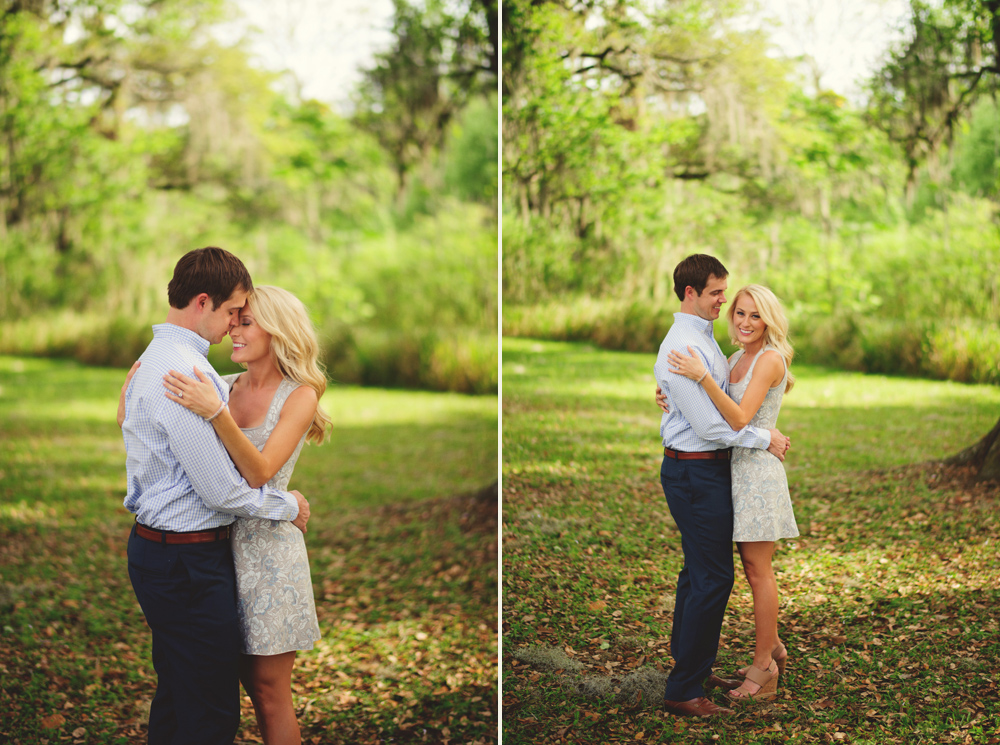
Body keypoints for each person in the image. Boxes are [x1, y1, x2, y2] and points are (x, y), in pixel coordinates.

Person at [120, 285, 329, 745]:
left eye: (245, 321)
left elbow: (258, 472)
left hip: (269, 555)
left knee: (267, 692)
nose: (232, 328)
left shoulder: (300, 396)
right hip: (214, 551)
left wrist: (217, 414)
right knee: (201, 680)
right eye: (234, 319)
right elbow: (159, 431)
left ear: (277, 331)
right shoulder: (222, 386)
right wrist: (135, 396)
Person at [652, 254, 790, 719]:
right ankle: (687, 685)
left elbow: (733, 402)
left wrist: (678, 392)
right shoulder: (690, 348)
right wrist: (763, 436)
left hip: (727, 471)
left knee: (708, 574)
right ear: (691, 293)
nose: (726, 303)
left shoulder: (709, 345)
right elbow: (715, 425)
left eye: (747, 307)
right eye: (718, 294)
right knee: (714, 578)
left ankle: (703, 666)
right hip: (701, 469)